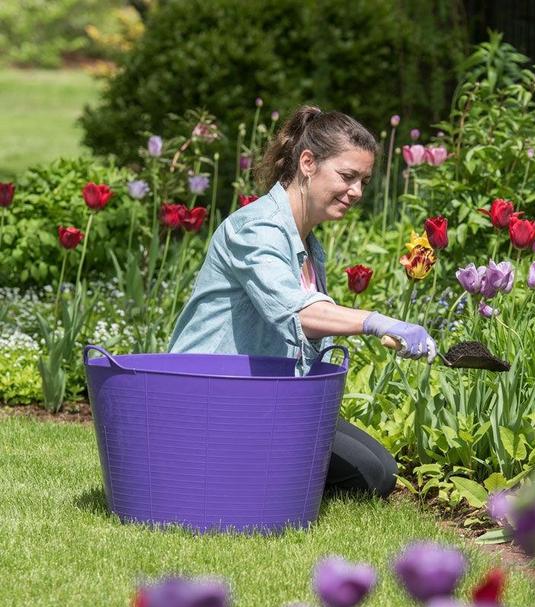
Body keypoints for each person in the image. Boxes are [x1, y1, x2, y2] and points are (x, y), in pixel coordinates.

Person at [169, 106, 437, 498]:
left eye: (363, 180)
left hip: (263, 393)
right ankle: (229, 470)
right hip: (213, 395)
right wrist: (376, 320)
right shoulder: (256, 228)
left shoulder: (308, 242)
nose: (357, 191)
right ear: (307, 163)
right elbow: (299, 313)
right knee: (364, 476)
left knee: (379, 470)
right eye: (347, 177)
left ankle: (266, 464)